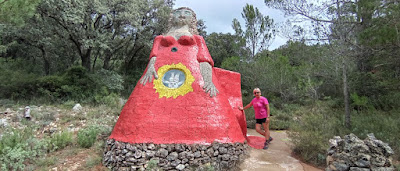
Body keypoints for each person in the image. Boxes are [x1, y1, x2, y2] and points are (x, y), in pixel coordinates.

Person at [109, 7, 246, 144]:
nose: (181, 15)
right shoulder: (158, 39)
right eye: (177, 13)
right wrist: (151, 67)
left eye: (186, 13)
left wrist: (208, 80)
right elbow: (153, 56)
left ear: (192, 19)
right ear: (171, 18)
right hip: (157, 77)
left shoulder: (198, 39)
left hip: (194, 79)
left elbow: (204, 59)